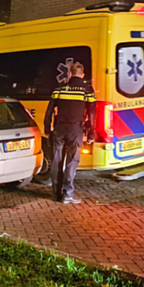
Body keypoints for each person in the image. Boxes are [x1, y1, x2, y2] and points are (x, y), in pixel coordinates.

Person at [43, 62, 96, 204]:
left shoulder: (59, 89)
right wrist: (91, 134)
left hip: (59, 129)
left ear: (70, 74)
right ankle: (68, 194)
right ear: (82, 75)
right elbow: (91, 114)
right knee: (72, 161)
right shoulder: (87, 90)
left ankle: (55, 194)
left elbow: (49, 110)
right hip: (75, 130)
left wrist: (47, 129)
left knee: (56, 160)